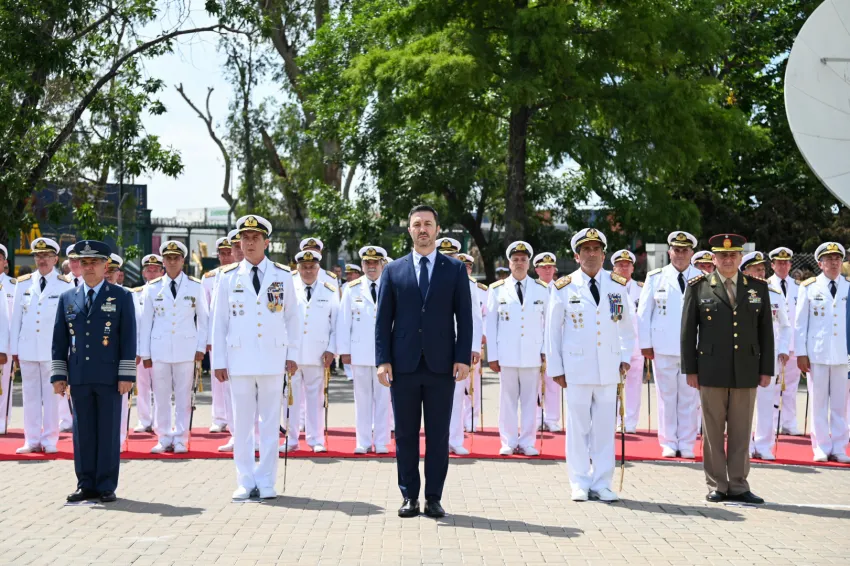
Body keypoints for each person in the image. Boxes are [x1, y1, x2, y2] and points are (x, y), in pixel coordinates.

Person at [376, 204, 472, 519]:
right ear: (409, 230)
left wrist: (462, 358)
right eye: (416, 224)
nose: (422, 229)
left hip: (441, 365)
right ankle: (409, 497)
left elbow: (465, 319)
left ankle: (433, 498)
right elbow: (382, 320)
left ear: (437, 229)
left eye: (428, 224)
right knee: (404, 434)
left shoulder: (454, 269)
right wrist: (382, 360)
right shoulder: (393, 270)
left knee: (438, 435)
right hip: (402, 365)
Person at [211, 214, 300, 500]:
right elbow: (219, 321)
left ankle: (267, 480)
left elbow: (293, 317)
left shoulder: (283, 274)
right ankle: (245, 480)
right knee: (242, 424)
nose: (249, 243)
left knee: (270, 422)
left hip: (273, 358)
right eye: (244, 239)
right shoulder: (226, 277)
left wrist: (293, 353)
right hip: (239, 359)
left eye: (255, 238)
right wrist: (219, 361)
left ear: (266, 242)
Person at [682, 233, 774, 504]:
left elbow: (765, 332)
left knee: (741, 429)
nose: (728, 259)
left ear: (740, 257)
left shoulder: (757, 287)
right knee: (712, 430)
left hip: (746, 367)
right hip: (710, 368)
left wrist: (765, 368)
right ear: (713, 258)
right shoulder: (699, 287)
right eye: (722, 255)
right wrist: (690, 369)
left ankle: (738, 483)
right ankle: (717, 484)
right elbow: (688, 332)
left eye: (733, 255)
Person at [546, 228, 634, 502]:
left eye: (596, 249)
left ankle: (602, 482)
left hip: (608, 367)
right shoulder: (563, 286)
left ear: (604, 254)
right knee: (578, 426)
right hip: (577, 367)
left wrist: (624, 357)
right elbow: (552, 331)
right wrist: (556, 368)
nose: (592, 254)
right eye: (586, 250)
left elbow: (626, 327)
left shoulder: (617, 284)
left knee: (604, 428)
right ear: (576, 255)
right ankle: (580, 481)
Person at [51, 239, 136, 503]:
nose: (88, 267)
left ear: (105, 266)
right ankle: (86, 483)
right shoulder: (67, 297)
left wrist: (126, 375)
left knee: (108, 431)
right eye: (83, 262)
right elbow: (60, 339)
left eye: (94, 263)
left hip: (110, 376)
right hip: (80, 375)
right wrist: (58, 375)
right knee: (82, 432)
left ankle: (106, 484)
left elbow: (128, 338)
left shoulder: (121, 296)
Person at [139, 241, 208, 454]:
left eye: (175, 258)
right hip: (159, 349)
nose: (171, 261)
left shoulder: (195, 286)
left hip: (186, 349)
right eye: (168, 258)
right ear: (163, 261)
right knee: (160, 397)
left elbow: (204, 320)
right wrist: (145, 353)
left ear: (182, 260)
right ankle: (163, 437)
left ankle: (180, 437)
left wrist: (201, 347)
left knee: (183, 397)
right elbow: (145, 322)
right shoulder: (152, 287)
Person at [638, 231, 702, 458]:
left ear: (692, 253)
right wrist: (645, 344)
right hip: (662, 347)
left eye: (685, 250)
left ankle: (686, 443)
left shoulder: (702, 277)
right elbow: (644, 314)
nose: (680, 254)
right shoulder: (656, 277)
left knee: (689, 398)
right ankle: (667, 442)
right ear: (669, 252)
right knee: (666, 397)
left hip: (693, 349)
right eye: (677, 250)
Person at [486, 241, 549, 456]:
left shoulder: (542, 289)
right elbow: (491, 325)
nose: (519, 263)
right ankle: (508, 441)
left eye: (523, 259)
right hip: (507, 354)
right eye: (515, 260)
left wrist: (545, 351)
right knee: (507, 401)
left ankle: (528, 441)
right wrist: (492, 356)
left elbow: (549, 323)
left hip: (533, 354)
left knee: (531, 401)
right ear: (509, 263)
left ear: (529, 263)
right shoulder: (497, 290)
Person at [10, 237, 73, 453]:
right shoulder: (24, 282)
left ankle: (49, 440)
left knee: (52, 397)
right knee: (30, 396)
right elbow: (15, 319)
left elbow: (69, 321)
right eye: (38, 256)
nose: (42, 260)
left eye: (46, 256)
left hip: (52, 351)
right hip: (28, 348)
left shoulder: (65, 284)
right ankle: (32, 439)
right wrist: (14, 350)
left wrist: (68, 351)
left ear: (56, 258)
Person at [795, 242, 850, 463]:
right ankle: (820, 447)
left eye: (837, 259)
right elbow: (800, 324)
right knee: (818, 404)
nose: (834, 263)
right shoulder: (809, 287)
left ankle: (839, 447)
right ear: (820, 263)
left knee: (840, 405)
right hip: (816, 354)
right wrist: (801, 353)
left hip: (843, 355)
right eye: (829, 260)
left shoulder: (848, 286)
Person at [337, 245, 391, 453]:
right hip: (359, 353)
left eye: (375, 262)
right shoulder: (352, 288)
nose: (371, 266)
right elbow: (344, 322)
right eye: (367, 263)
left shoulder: (391, 285)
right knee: (362, 399)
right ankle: (363, 441)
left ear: (381, 264)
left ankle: (381, 442)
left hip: (385, 355)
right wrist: (344, 351)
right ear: (362, 265)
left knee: (383, 400)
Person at [739, 252, 791, 461]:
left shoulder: (774, 293)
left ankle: (763, 444)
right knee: (744, 404)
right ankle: (745, 445)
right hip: (744, 356)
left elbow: (786, 326)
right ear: (745, 272)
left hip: (769, 357)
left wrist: (784, 350)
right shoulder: (738, 293)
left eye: (762, 269)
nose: (762, 273)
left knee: (767, 403)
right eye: (757, 269)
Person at [285, 250, 338, 453]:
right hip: (294, 355)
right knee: (290, 399)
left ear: (318, 269)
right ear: (297, 269)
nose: (308, 271)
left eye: (312, 267)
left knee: (315, 400)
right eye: (304, 267)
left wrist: (332, 350)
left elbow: (336, 325)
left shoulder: (329, 290)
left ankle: (316, 439)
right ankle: (291, 440)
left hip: (318, 354)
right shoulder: (289, 289)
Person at [434, 238, 482, 456]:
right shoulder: (425, 278)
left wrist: (473, 347)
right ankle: (437, 440)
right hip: (432, 346)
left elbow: (474, 317)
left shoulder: (468, 282)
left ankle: (454, 439)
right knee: (434, 397)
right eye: (443, 255)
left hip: (457, 345)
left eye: (451, 256)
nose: (447, 260)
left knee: (457, 395)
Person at [768, 247, 802, 435]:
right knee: (772, 387)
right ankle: (772, 424)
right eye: (779, 262)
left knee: (790, 387)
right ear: (772, 265)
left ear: (790, 265)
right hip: (774, 344)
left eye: (786, 262)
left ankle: (789, 423)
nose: (783, 265)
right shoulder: (765, 285)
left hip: (793, 346)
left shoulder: (799, 287)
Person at [203, 236, 234, 436]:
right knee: (218, 379)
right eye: (222, 253)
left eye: (228, 252)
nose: (225, 257)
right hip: (217, 336)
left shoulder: (240, 274)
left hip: (237, 335)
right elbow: (205, 311)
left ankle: (235, 420)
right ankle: (219, 418)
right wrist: (207, 339)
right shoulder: (209, 278)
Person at [131, 254, 164, 433]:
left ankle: (160, 421)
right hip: (141, 346)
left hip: (160, 346)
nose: (151, 273)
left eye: (155, 270)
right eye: (148, 270)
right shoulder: (135, 293)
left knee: (161, 385)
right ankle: (144, 420)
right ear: (143, 273)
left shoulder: (165, 291)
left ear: (161, 271)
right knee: (142, 385)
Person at [611, 249, 643, 433]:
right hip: (615, 345)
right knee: (613, 387)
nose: (623, 268)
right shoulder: (611, 288)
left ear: (632, 267)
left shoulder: (642, 288)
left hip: (637, 347)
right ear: (614, 268)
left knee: (634, 387)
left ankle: (629, 422)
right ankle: (615, 419)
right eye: (620, 265)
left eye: (627, 265)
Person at [458, 252, 487, 433]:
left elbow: (483, 316)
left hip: (474, 344)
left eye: (468, 266)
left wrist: (480, 340)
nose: (465, 269)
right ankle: (457, 424)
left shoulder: (480, 288)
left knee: (472, 386)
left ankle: (471, 420)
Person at [533, 252, 562, 432]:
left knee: (553, 382)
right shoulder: (532, 288)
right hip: (535, 342)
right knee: (534, 383)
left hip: (555, 342)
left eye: (550, 267)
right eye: (544, 267)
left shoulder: (561, 288)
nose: (548, 270)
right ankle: (536, 417)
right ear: (536, 269)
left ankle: (552, 419)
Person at [0, 244, 15, 434]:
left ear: (4, 262)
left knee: (4, 385)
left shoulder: (15, 285)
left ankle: (2, 420)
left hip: (7, 343)